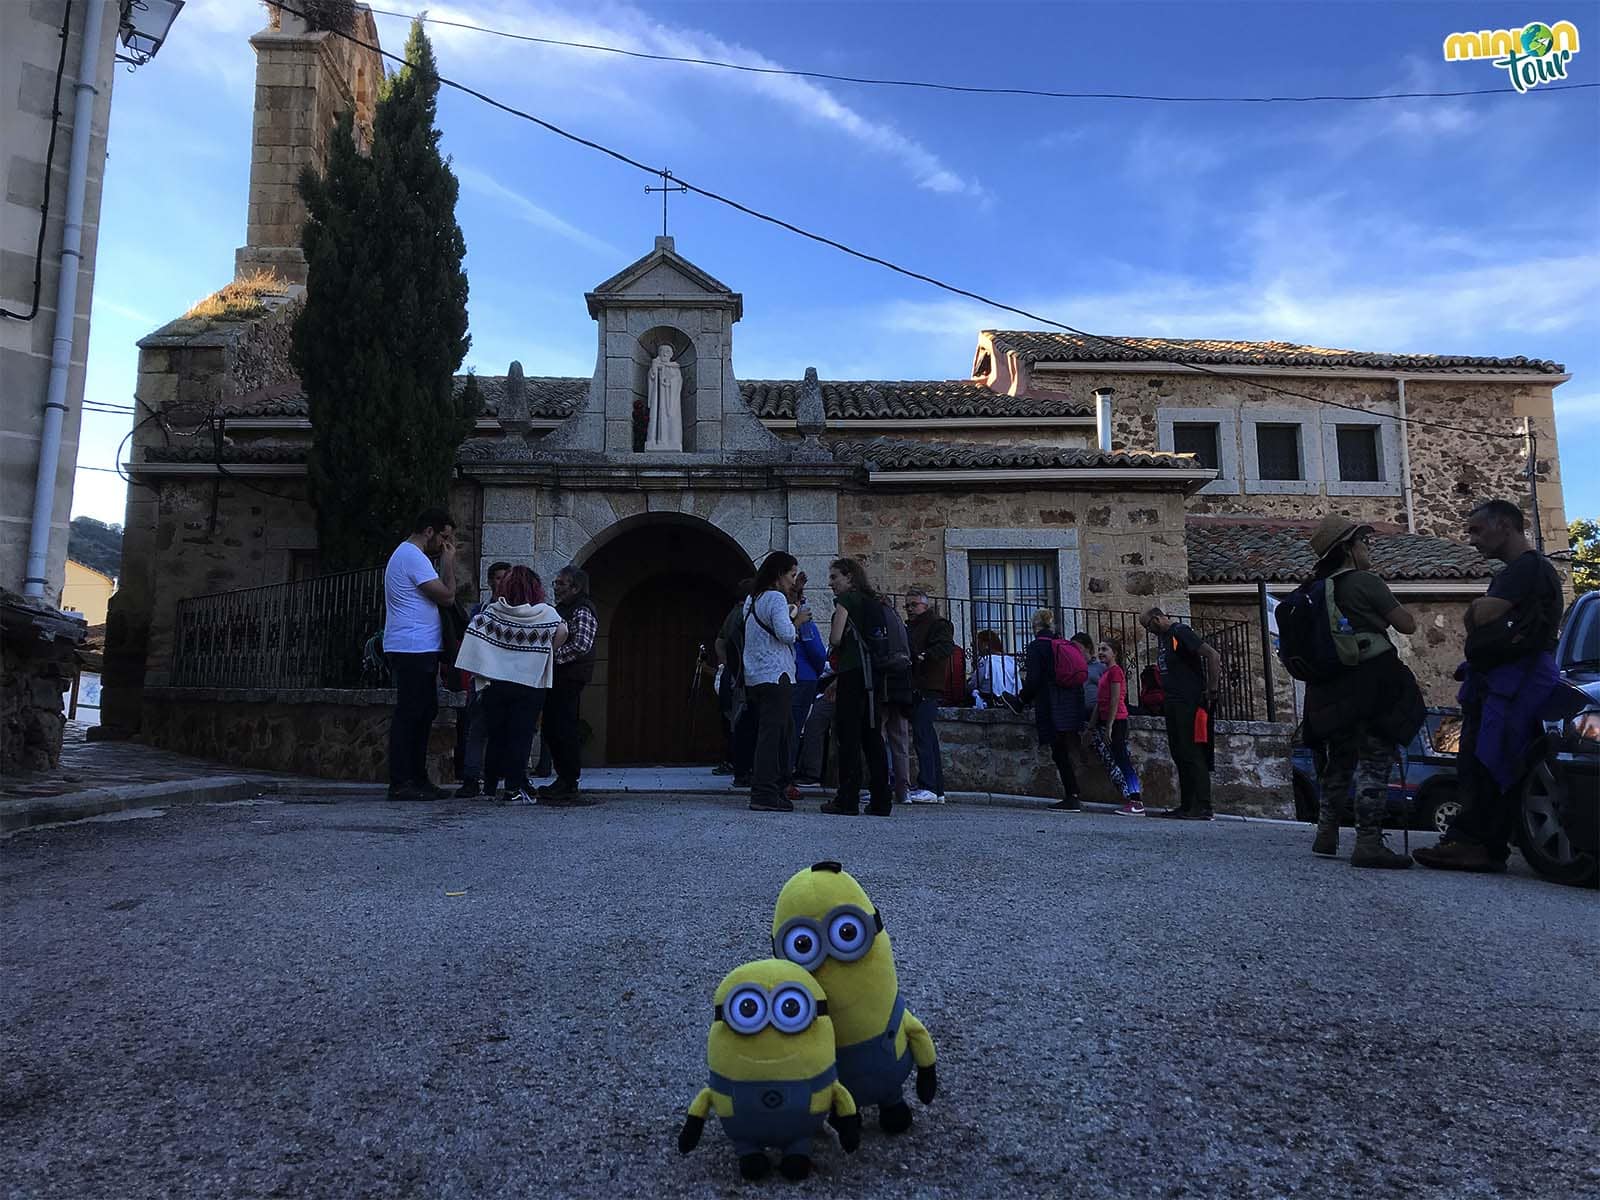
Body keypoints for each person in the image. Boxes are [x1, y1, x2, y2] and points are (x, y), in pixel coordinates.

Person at [1414, 500, 1565, 873]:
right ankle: (1475, 842)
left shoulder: (1527, 569)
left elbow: (1482, 615)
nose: (1472, 540)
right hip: (1503, 680)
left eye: (1478, 531)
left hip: (1512, 682)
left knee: (1489, 760)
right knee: (1481, 759)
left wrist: (1478, 610)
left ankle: (1479, 845)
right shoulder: (1523, 572)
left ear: (1505, 526)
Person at [1295, 517, 1423, 868]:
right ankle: (1368, 842)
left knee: (1338, 760)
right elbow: (1407, 625)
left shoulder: (1316, 587)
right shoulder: (1365, 582)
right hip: (1371, 681)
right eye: (1364, 543)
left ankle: (1326, 834)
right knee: (1375, 758)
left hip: (1330, 686)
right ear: (1349, 548)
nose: (1368, 549)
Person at [454, 566, 567, 805]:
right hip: (530, 682)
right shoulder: (545, 613)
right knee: (521, 735)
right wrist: (545, 652)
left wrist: (493, 656)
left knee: (497, 734)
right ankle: (514, 788)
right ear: (536, 588)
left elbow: (474, 633)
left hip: (496, 683)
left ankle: (491, 785)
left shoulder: (494, 612)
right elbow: (563, 631)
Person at [383, 508, 457, 801]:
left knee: (423, 712)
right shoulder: (413, 556)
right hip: (412, 647)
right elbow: (448, 596)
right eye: (444, 537)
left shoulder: (408, 556)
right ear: (430, 531)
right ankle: (402, 781)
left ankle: (416, 778)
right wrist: (449, 564)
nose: (444, 545)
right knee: (411, 714)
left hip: (418, 647)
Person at [820, 558, 893, 817]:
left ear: (849, 577)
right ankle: (882, 800)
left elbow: (836, 638)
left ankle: (847, 799)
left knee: (848, 738)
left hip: (853, 676)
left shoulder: (848, 601)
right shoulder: (874, 602)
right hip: (873, 677)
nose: (831, 583)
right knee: (873, 737)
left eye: (834, 577)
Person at [1139, 607, 1223, 820]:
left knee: (1192, 751)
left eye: (1148, 625)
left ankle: (1203, 805)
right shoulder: (1165, 639)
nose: (1149, 631)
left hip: (1189, 702)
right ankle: (1187, 805)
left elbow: (1212, 655)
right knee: (1179, 752)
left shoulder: (1180, 632)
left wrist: (1212, 690)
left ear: (1157, 619)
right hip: (1173, 703)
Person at [744, 552, 801, 813]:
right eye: (791, 575)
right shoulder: (776, 598)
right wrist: (798, 621)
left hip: (756, 676)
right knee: (775, 737)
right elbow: (786, 634)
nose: (793, 581)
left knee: (768, 735)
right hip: (777, 675)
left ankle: (769, 791)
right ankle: (767, 793)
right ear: (779, 574)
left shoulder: (751, 600)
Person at [1018, 609, 1089, 812]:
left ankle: (1072, 796)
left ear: (1035, 627)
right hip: (1072, 702)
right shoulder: (1063, 644)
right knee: (1068, 750)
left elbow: (1033, 680)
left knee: (1059, 752)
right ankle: (1074, 793)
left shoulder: (1037, 646)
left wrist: (1022, 699)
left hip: (1051, 703)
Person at [541, 565, 598, 806]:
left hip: (569, 675)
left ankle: (568, 780)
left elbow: (582, 645)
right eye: (556, 583)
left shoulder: (582, 609)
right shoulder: (564, 608)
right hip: (560, 675)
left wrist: (551, 657)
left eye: (561, 583)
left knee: (563, 726)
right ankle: (563, 778)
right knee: (554, 726)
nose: (556, 587)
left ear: (575, 587)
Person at [456, 561, 511, 798]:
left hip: (507, 677)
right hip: (482, 677)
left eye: (506, 578)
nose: (501, 583)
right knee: (477, 729)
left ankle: (508, 777)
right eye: (498, 578)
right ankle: (471, 778)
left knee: (510, 731)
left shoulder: (518, 609)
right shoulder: (480, 610)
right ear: (490, 582)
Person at [905, 589, 954, 804]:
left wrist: (925, 656)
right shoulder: (914, 627)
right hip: (921, 685)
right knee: (927, 736)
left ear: (925, 605)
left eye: (914, 605)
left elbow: (945, 647)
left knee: (923, 735)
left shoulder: (936, 624)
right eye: (907, 606)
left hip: (927, 686)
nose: (910, 609)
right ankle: (936, 788)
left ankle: (929, 785)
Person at [1088, 636, 1144, 816]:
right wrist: (1092, 726)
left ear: (1115, 653)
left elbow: (1115, 699)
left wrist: (1110, 726)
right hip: (1109, 720)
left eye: (1105, 649)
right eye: (1100, 649)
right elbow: (1100, 701)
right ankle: (1133, 800)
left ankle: (1136, 801)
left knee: (1123, 760)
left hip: (1117, 720)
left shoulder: (1115, 672)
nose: (1101, 653)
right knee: (1119, 760)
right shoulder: (1106, 673)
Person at [714, 580, 757, 785]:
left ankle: (737, 766)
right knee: (745, 722)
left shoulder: (732, 614)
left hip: (733, 673)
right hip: (743, 675)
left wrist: (725, 665)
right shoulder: (744, 614)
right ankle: (743, 769)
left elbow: (720, 641)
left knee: (736, 721)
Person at [792, 585, 829, 779]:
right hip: (804, 677)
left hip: (795, 676)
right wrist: (816, 671)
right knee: (796, 726)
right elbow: (817, 652)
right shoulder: (804, 621)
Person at [970, 629, 1019, 707]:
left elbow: (974, 683)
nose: (977, 648)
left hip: (991, 699)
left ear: (985, 644)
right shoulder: (1009, 660)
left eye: (978, 644)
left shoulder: (986, 660)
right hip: (1010, 699)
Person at [1073, 631, 1102, 712]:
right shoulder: (1073, 668)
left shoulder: (1100, 667)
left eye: (1078, 648)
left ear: (1088, 647)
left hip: (1096, 713)